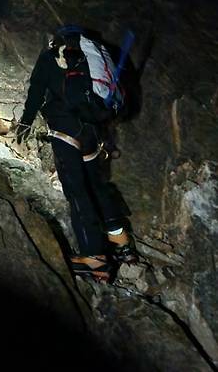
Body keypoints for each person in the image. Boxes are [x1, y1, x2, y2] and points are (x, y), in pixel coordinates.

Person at [16, 25, 138, 280]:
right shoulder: (91, 59)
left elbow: (37, 91)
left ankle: (94, 258)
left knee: (77, 192)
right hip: (92, 132)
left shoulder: (51, 57)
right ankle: (122, 244)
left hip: (65, 131)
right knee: (97, 186)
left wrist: (26, 121)